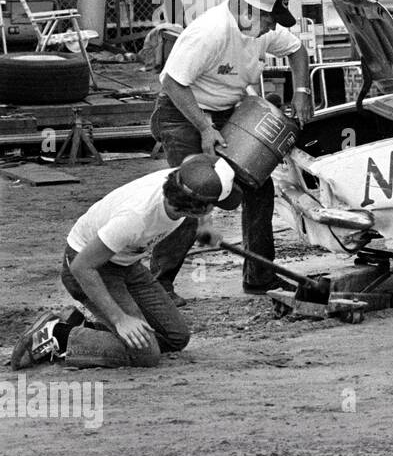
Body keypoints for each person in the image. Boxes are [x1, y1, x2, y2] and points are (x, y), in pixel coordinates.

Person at [151, 0, 312, 300]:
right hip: (183, 113)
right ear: (250, 10)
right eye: (270, 19)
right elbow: (172, 83)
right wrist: (205, 128)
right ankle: (158, 283)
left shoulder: (261, 28)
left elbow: (297, 50)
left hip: (227, 111)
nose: (272, 27)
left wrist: (303, 91)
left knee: (259, 185)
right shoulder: (211, 32)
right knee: (193, 193)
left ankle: (260, 277)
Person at [11, 156, 242, 371]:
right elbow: (81, 266)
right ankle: (56, 334)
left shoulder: (186, 178)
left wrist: (204, 224)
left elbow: (201, 161)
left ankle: (83, 327)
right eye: (214, 205)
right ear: (198, 206)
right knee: (145, 355)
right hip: (90, 269)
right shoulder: (134, 217)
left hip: (126, 264)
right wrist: (119, 319)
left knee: (175, 337)